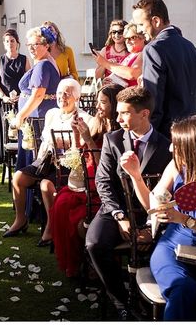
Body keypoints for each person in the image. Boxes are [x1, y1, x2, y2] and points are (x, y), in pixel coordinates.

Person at [121, 116, 196, 320]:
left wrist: (184, 219)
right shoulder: (176, 167)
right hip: (172, 248)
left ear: (195, 147)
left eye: (176, 144)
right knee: (182, 288)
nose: (171, 149)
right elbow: (151, 206)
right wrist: (136, 176)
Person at [85, 86, 172, 319]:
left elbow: (167, 195)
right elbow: (103, 182)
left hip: (150, 213)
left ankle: (152, 297)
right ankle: (122, 301)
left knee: (160, 247)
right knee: (94, 244)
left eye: (124, 113)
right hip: (116, 210)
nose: (117, 117)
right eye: (118, 112)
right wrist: (119, 216)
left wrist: (149, 227)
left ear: (144, 114)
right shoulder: (112, 140)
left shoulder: (166, 146)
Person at [49, 83, 124, 277]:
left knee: (73, 214)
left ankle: (92, 262)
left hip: (103, 187)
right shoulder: (98, 123)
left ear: (115, 105)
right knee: (61, 204)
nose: (98, 106)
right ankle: (77, 261)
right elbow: (82, 151)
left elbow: (106, 168)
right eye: (98, 101)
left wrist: (89, 140)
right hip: (88, 181)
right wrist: (77, 133)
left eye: (103, 102)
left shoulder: (119, 132)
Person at [4, 79, 91, 246]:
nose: (62, 97)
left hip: (68, 165)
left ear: (77, 97)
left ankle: (51, 226)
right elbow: (45, 136)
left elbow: (79, 145)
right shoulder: (52, 113)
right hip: (46, 159)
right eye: (59, 93)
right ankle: (21, 219)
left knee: (46, 185)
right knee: (18, 178)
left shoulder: (84, 117)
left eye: (67, 93)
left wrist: (63, 141)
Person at [132, 0, 196, 138]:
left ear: (156, 21)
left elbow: (153, 100)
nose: (138, 30)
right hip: (192, 132)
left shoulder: (154, 48)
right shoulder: (190, 46)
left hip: (166, 134)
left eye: (140, 25)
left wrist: (148, 136)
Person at [10, 26, 61, 172]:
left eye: (35, 45)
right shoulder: (47, 61)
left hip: (37, 120)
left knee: (33, 162)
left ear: (46, 45)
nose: (31, 48)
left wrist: (20, 116)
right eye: (29, 45)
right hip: (37, 117)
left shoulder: (43, 65)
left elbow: (38, 95)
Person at [0, 29, 31, 165]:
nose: (10, 44)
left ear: (17, 43)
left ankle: (21, 160)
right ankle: (7, 164)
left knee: (22, 132)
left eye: (12, 41)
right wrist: (3, 96)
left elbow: (30, 81)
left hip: (22, 102)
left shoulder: (24, 60)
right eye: (7, 41)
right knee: (6, 133)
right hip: (4, 103)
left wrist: (23, 95)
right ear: (4, 44)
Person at [93, 22, 145, 88]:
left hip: (135, 95)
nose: (128, 41)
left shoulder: (144, 52)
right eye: (126, 38)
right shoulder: (132, 54)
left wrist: (105, 63)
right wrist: (109, 80)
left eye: (132, 37)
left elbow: (132, 74)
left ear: (143, 37)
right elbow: (123, 78)